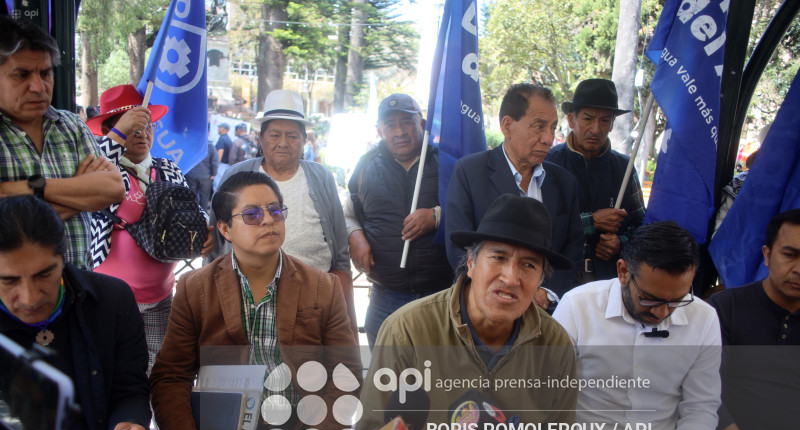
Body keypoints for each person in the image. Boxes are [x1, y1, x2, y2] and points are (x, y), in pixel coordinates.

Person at [150, 171, 362, 430]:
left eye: (275, 211)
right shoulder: (195, 288)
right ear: (224, 228)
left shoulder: (322, 286)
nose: (268, 221)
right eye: (252, 214)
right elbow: (171, 375)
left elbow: (347, 373)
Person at [357, 194, 578, 430]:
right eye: (498, 257)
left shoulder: (556, 345)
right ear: (471, 262)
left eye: (528, 265)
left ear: (541, 277)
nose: (511, 278)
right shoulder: (406, 330)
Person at [0, 195, 153, 430]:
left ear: (64, 258)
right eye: (8, 280)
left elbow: (129, 388)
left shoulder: (111, 300)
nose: (29, 297)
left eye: (44, 275)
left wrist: (130, 423)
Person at [552, 221, 721, 430]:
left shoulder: (704, 318)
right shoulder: (578, 306)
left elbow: (701, 407)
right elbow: (548, 401)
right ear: (622, 272)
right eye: (650, 299)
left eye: (676, 300)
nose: (662, 313)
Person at [86, 84, 213, 371]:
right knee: (112, 379)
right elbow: (90, 168)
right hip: (109, 302)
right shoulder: (100, 169)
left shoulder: (168, 168)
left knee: (157, 378)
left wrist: (202, 229)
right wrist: (119, 134)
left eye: (148, 126)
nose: (142, 134)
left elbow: (191, 211)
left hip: (161, 297)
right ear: (112, 130)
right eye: (133, 127)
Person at [217, 90, 358, 341]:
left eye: (292, 135)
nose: (284, 142)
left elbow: (339, 242)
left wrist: (341, 289)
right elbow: (218, 238)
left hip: (313, 298)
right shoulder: (238, 175)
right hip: (250, 297)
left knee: (309, 373)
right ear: (261, 138)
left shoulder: (321, 176)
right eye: (275, 135)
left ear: (304, 140)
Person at [0, 16, 124, 271]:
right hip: (12, 300)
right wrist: (79, 196)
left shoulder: (70, 125)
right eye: (21, 75)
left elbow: (112, 188)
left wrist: (32, 188)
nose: (38, 86)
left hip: (78, 288)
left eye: (45, 73)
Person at [446, 83, 583, 308]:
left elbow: (573, 248)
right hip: (487, 307)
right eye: (539, 127)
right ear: (507, 126)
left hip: (544, 313)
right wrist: (502, 293)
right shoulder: (470, 172)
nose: (548, 138)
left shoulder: (564, 181)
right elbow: (458, 247)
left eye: (553, 127)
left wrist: (545, 293)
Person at [344, 94, 453, 348]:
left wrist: (436, 216)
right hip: (385, 298)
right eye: (390, 124)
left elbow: (471, 210)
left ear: (422, 124)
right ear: (379, 130)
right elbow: (348, 213)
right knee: (388, 379)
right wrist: (355, 236)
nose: (399, 131)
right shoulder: (365, 166)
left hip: (440, 297)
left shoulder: (446, 164)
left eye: (407, 122)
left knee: (437, 380)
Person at [701, 209, 800, 430]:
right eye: (790, 255)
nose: (798, 269)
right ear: (767, 255)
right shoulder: (726, 308)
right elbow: (705, 393)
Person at [545, 79, 646, 282]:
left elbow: (643, 228)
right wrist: (591, 221)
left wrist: (621, 242)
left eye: (604, 120)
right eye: (588, 119)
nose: (596, 129)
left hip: (609, 281)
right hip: (555, 282)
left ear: (612, 124)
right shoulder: (548, 163)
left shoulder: (624, 169)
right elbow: (540, 226)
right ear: (572, 121)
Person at [185, 140, 219, 210]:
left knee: (191, 197)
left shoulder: (190, 144)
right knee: (204, 198)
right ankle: (203, 216)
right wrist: (213, 174)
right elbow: (215, 162)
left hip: (191, 175)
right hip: (205, 176)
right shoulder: (210, 146)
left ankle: (191, 213)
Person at [215, 122, 233, 190]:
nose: (218, 129)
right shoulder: (228, 139)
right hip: (226, 165)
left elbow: (220, 152)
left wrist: (216, 164)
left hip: (221, 165)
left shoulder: (222, 139)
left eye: (220, 127)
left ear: (224, 129)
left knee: (217, 185)